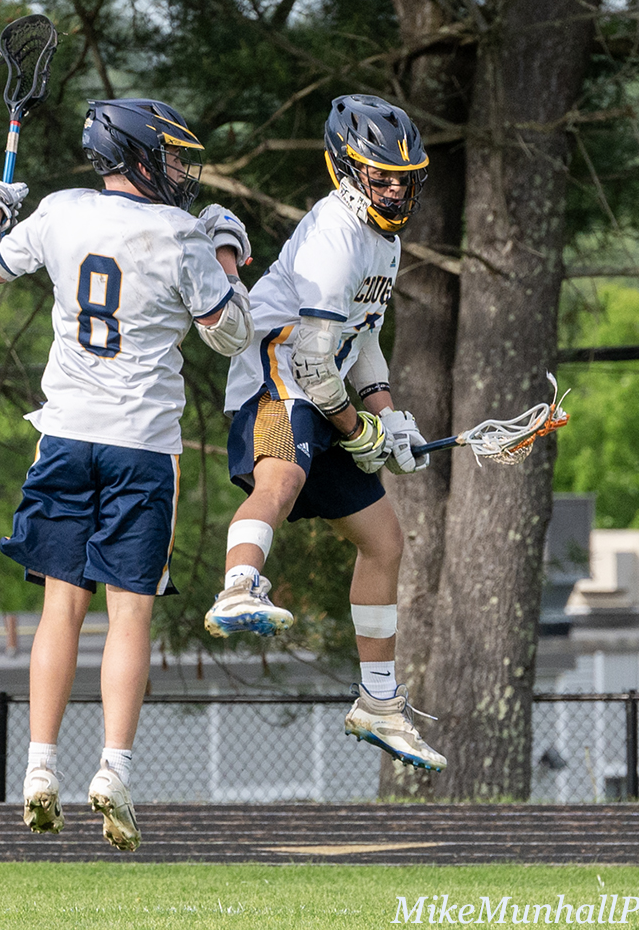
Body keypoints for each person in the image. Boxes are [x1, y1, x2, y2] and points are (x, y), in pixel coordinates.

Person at [0, 98, 254, 849]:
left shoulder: (59, 212)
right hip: (142, 446)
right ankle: (113, 770)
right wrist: (225, 253)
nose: (179, 171)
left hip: (65, 436)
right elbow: (232, 333)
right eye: (170, 157)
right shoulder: (180, 233)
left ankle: (39, 768)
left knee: (61, 608)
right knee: (130, 614)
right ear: (138, 156)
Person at [204, 94, 445, 772]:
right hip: (280, 373)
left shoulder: (384, 240)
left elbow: (360, 340)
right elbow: (311, 357)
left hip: (325, 386)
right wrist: (357, 429)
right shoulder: (336, 230)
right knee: (282, 478)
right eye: (381, 175)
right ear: (347, 168)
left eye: (404, 178)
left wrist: (387, 415)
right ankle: (239, 584)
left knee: (384, 541)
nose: (394, 189)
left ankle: (378, 702)